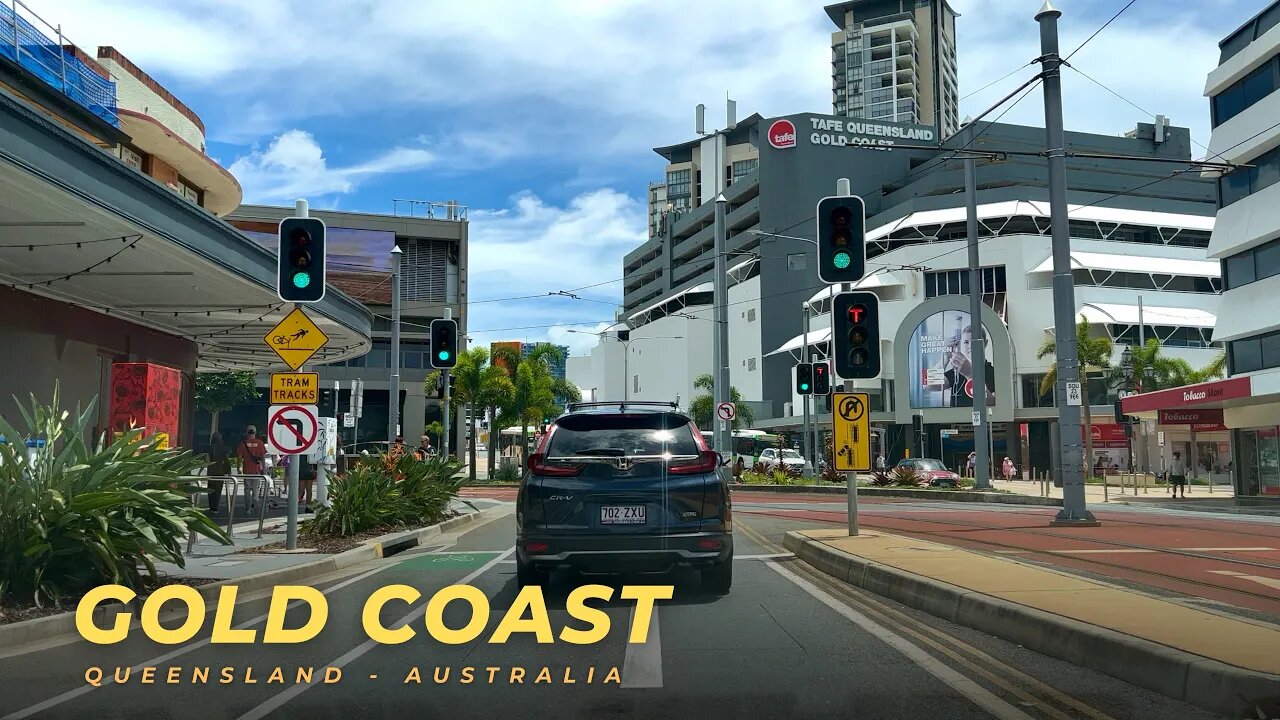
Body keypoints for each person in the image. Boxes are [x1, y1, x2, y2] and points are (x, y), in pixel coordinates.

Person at [206, 432, 231, 513]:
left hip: (211, 471)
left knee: (210, 490)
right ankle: (215, 507)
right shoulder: (224, 447)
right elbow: (227, 460)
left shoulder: (210, 448)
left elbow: (206, 460)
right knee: (218, 490)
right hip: (220, 471)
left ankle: (211, 506)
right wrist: (228, 470)